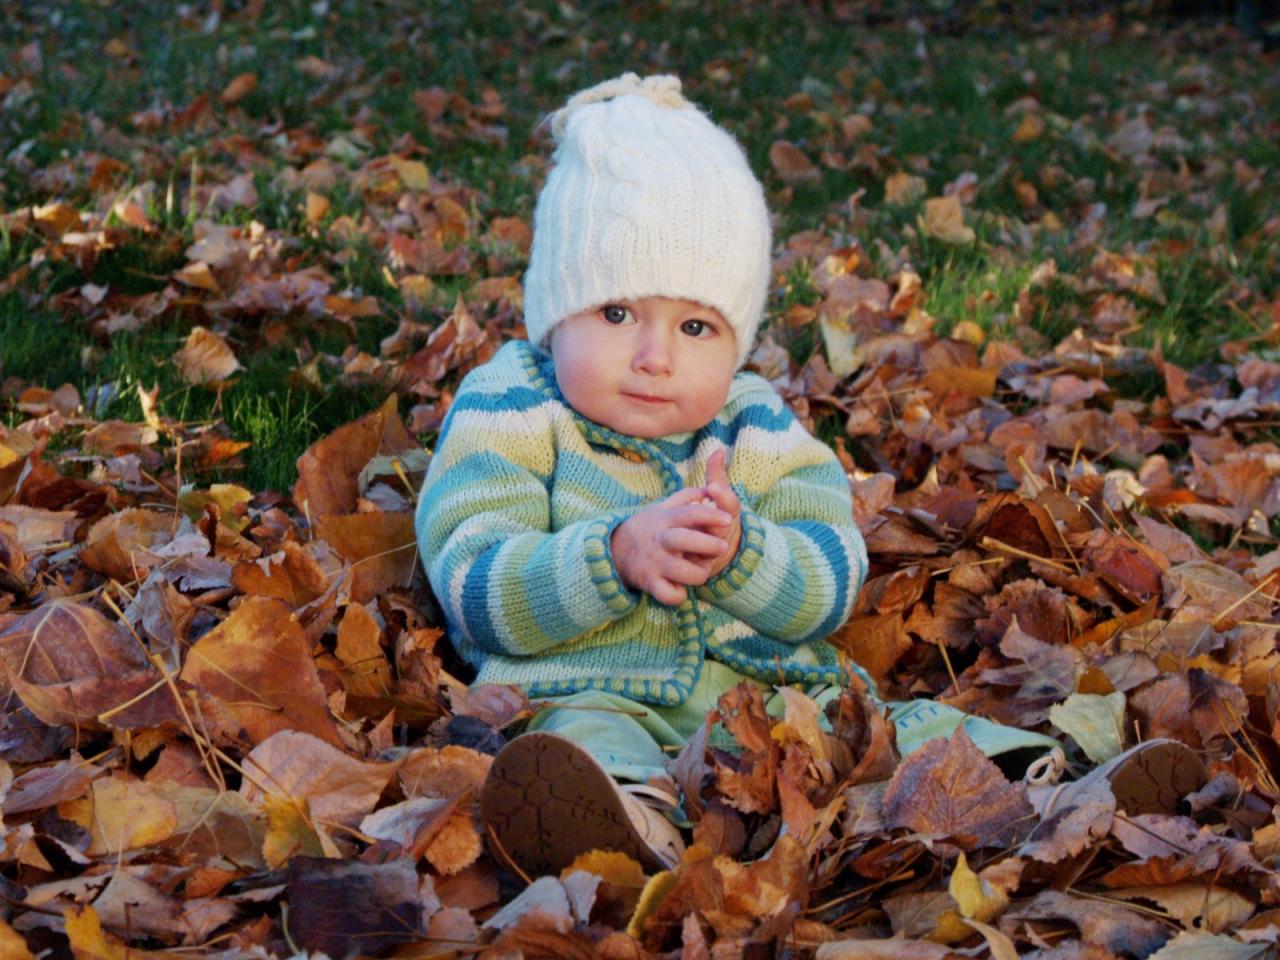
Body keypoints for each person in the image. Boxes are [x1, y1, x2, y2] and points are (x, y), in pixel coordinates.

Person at [415, 73, 1168, 879]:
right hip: (583, 685)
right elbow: (471, 574)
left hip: (769, 697)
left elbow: (829, 576)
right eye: (616, 313)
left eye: (696, 325)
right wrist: (613, 555)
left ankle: (1049, 787)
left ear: (734, 342)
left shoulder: (755, 422)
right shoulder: (515, 401)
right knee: (574, 741)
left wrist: (744, 554)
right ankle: (624, 824)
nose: (654, 355)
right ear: (554, 310)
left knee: (891, 728)